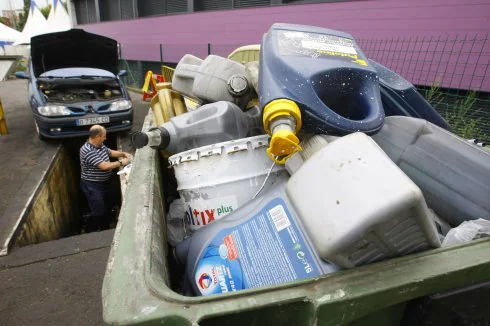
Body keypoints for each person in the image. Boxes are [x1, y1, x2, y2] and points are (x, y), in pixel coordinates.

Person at [80, 125, 131, 232]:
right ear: (97, 136)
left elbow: (110, 152)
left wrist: (123, 153)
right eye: (104, 136)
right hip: (92, 185)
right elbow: (104, 166)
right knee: (98, 210)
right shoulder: (87, 150)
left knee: (107, 205)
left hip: (103, 182)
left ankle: (105, 225)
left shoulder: (99, 145)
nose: (105, 138)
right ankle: (94, 230)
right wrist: (121, 162)